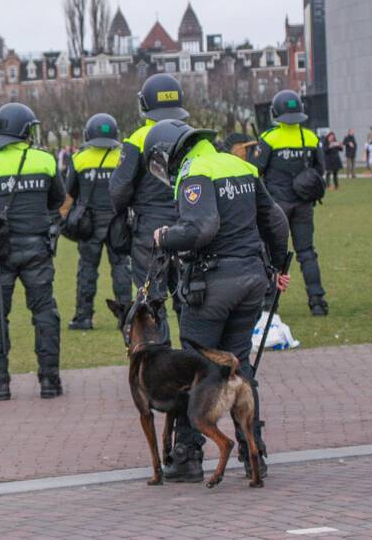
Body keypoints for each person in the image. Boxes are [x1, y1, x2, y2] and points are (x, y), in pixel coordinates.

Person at [144, 118, 289, 483]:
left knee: (195, 369)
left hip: (211, 286)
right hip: (251, 280)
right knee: (239, 366)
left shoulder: (196, 172)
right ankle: (254, 451)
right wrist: (274, 265)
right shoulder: (239, 164)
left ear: (169, 153)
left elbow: (200, 228)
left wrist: (166, 237)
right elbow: (275, 220)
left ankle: (187, 453)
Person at [0, 103, 66, 400]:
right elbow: (56, 199)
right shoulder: (45, 160)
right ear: (23, 130)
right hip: (38, 249)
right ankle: (50, 381)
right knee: (45, 312)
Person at [109, 73, 188, 326]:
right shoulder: (191, 135)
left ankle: (158, 361)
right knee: (190, 297)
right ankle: (196, 360)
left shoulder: (137, 139)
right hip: (189, 223)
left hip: (149, 230)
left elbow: (118, 190)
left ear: (145, 104)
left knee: (152, 300)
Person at [252, 90, 328, 316]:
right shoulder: (311, 137)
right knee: (307, 252)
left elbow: (256, 171)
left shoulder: (269, 138)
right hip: (303, 205)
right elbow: (319, 170)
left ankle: (269, 304)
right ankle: (317, 302)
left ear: (276, 112)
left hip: (276, 208)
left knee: (272, 256)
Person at [65, 113, 131, 330]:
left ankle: (83, 317)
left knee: (87, 270)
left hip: (89, 224)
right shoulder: (123, 157)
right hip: (118, 223)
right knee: (121, 268)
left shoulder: (79, 159)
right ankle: (127, 318)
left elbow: (70, 190)